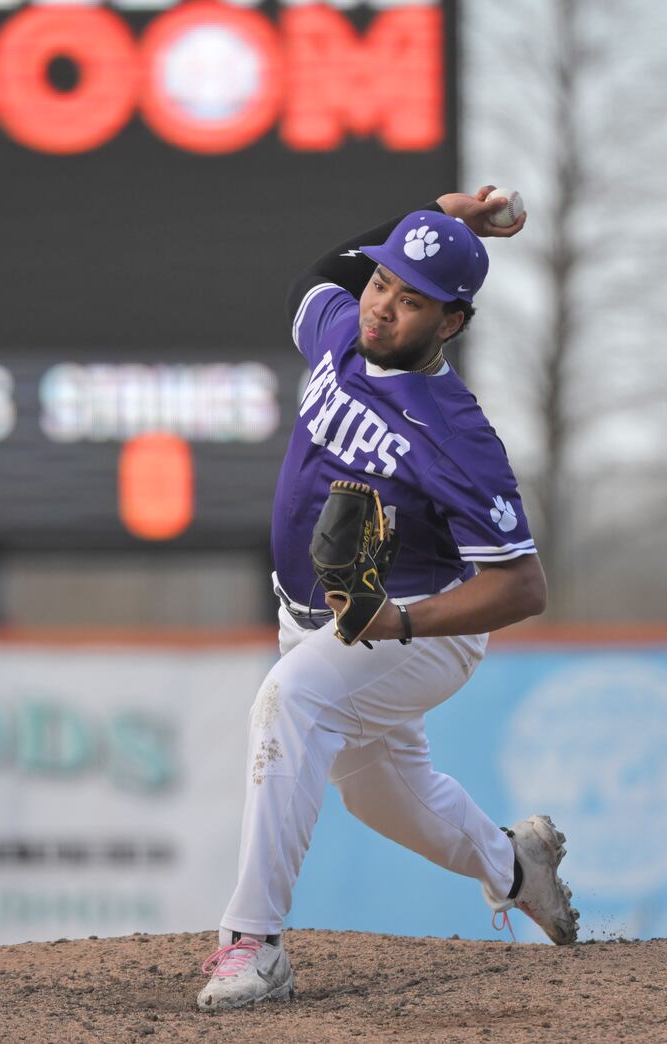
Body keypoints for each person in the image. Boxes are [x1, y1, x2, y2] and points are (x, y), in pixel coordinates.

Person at [197, 186, 579, 1012]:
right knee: (378, 791)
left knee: (289, 703)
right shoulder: (341, 332)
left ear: (451, 323)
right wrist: (432, 217)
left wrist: (402, 623)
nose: (383, 309)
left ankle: (253, 943)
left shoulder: (458, 434)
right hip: (315, 620)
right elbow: (316, 279)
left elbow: (522, 585)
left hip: (422, 628)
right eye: (381, 285)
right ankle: (516, 864)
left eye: (412, 301)